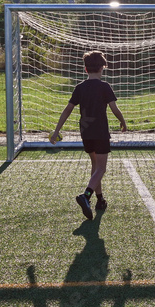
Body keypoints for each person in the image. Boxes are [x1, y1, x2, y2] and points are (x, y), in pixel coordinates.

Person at [50, 50, 127, 220]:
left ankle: (100, 200)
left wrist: (56, 131)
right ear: (102, 68)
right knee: (101, 168)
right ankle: (86, 195)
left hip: (85, 132)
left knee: (95, 166)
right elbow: (114, 108)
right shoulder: (104, 86)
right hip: (100, 132)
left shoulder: (80, 88)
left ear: (85, 69)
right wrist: (123, 121)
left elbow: (67, 110)